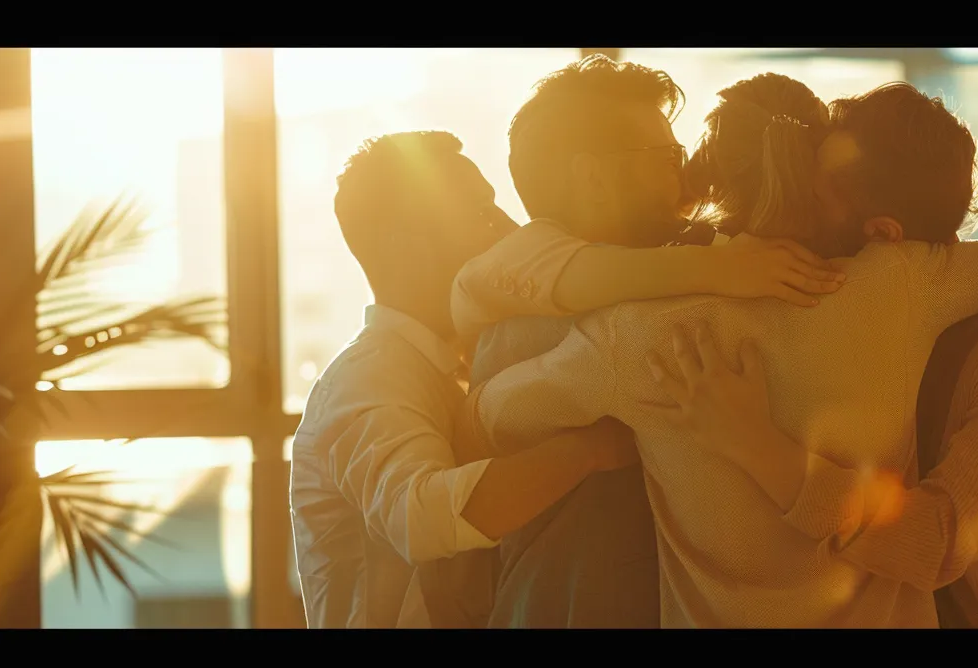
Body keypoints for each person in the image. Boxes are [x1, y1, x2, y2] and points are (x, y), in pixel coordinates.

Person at [459, 67, 978, 626]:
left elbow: (489, 416)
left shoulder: (637, 336)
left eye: (679, 151)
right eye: (663, 152)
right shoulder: (902, 285)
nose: (679, 168)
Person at [289, 128, 846, 628]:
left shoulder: (463, 360)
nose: (507, 229)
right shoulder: (369, 377)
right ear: (403, 247)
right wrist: (590, 449)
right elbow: (420, 516)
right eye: (481, 214)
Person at [647, 91, 978, 628]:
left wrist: (758, 449)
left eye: (815, 195)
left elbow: (934, 542)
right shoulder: (879, 325)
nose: (790, 203)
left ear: (883, 233)